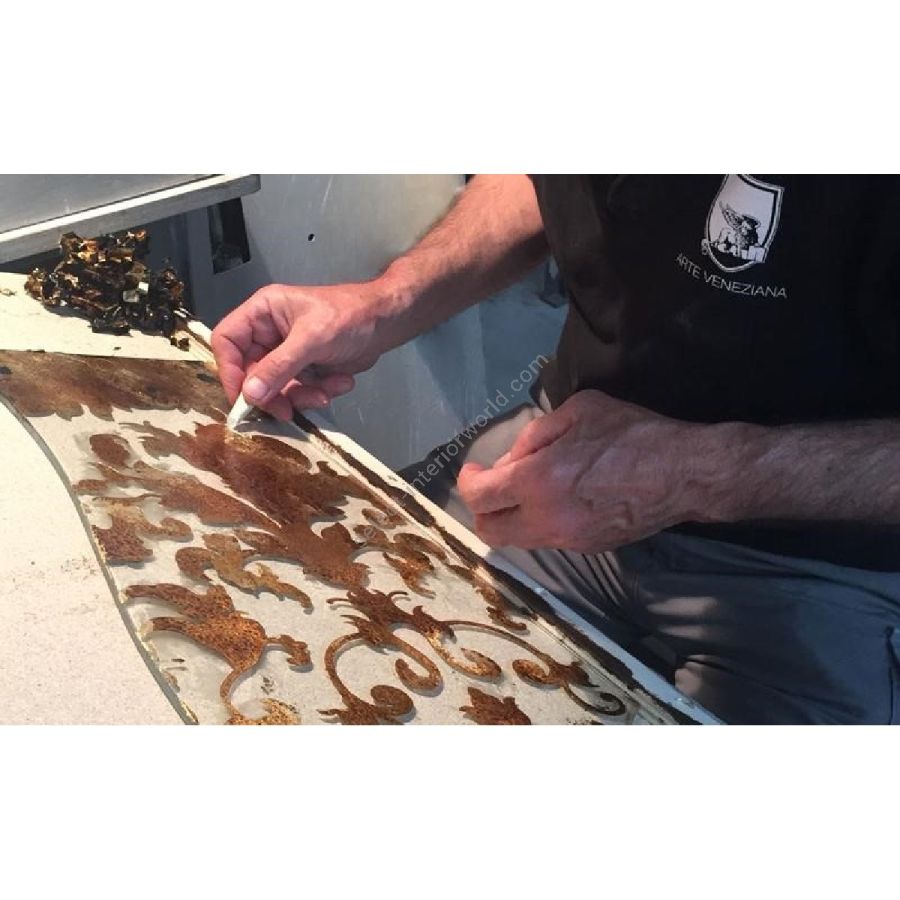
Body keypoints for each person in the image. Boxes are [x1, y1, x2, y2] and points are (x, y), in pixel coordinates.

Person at [211, 175, 900, 725]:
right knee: (312, 616)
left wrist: (698, 472)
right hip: (555, 462)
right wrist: (388, 301)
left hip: (823, 564)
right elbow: (540, 180)